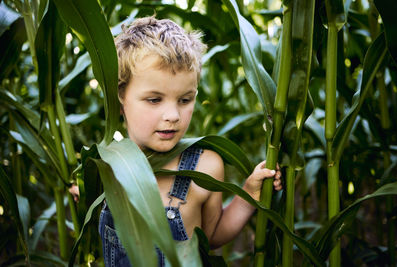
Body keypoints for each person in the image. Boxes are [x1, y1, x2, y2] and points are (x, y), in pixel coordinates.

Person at [72, 16, 282, 267]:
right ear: (119, 98)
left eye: (184, 100)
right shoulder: (105, 167)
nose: (173, 116)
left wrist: (249, 192)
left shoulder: (205, 167)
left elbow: (213, 236)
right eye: (154, 100)